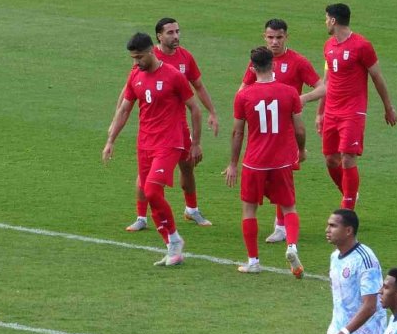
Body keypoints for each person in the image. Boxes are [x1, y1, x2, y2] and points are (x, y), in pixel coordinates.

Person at [103, 32, 203, 266]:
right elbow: (125, 109)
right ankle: (172, 247)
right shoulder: (135, 75)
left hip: (169, 143)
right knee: (151, 193)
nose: (135, 62)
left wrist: (196, 142)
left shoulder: (174, 76)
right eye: (133, 58)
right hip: (145, 143)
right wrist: (111, 140)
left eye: (139, 57)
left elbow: (195, 109)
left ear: (150, 52)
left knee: (151, 191)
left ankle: (175, 240)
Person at [113, 18, 218, 231]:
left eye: (177, 31)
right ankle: (141, 217)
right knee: (146, 175)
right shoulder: (146, 58)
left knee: (188, 167)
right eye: (170, 32)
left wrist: (212, 111)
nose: (176, 36)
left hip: (179, 127)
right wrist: (116, 121)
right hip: (155, 130)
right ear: (158, 37)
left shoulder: (185, 57)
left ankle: (191, 210)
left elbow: (198, 86)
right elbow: (128, 92)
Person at [238, 19, 324, 244]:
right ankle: (283, 227)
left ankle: (281, 226)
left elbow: (322, 86)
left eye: (279, 37)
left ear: (287, 37)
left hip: (287, 130)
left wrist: (301, 98)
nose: (274, 42)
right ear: (264, 37)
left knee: (282, 178)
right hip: (264, 129)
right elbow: (244, 87)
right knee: (277, 177)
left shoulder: (298, 61)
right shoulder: (259, 61)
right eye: (270, 37)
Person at [224, 47, 306, 278]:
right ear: (274, 65)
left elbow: (237, 133)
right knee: (289, 206)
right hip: (281, 161)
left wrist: (232, 163)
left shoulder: (243, 96)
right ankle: (291, 246)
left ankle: (253, 261)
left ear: (252, 68)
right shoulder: (289, 92)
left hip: (254, 162)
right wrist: (301, 150)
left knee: (249, 210)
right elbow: (299, 128)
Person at [318, 4, 397, 210]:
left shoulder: (362, 45)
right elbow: (326, 83)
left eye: (327, 18)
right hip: (332, 112)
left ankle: (347, 210)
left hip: (353, 111)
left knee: (348, 158)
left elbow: (377, 77)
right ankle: (350, 193)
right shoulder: (328, 46)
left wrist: (388, 107)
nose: (325, 22)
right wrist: (320, 113)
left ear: (333, 20)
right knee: (330, 159)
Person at [325, 209, 387, 334]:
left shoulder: (365, 260)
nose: (327, 230)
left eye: (333, 226)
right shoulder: (335, 257)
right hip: (339, 330)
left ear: (348, 231)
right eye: (328, 225)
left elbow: (370, 306)